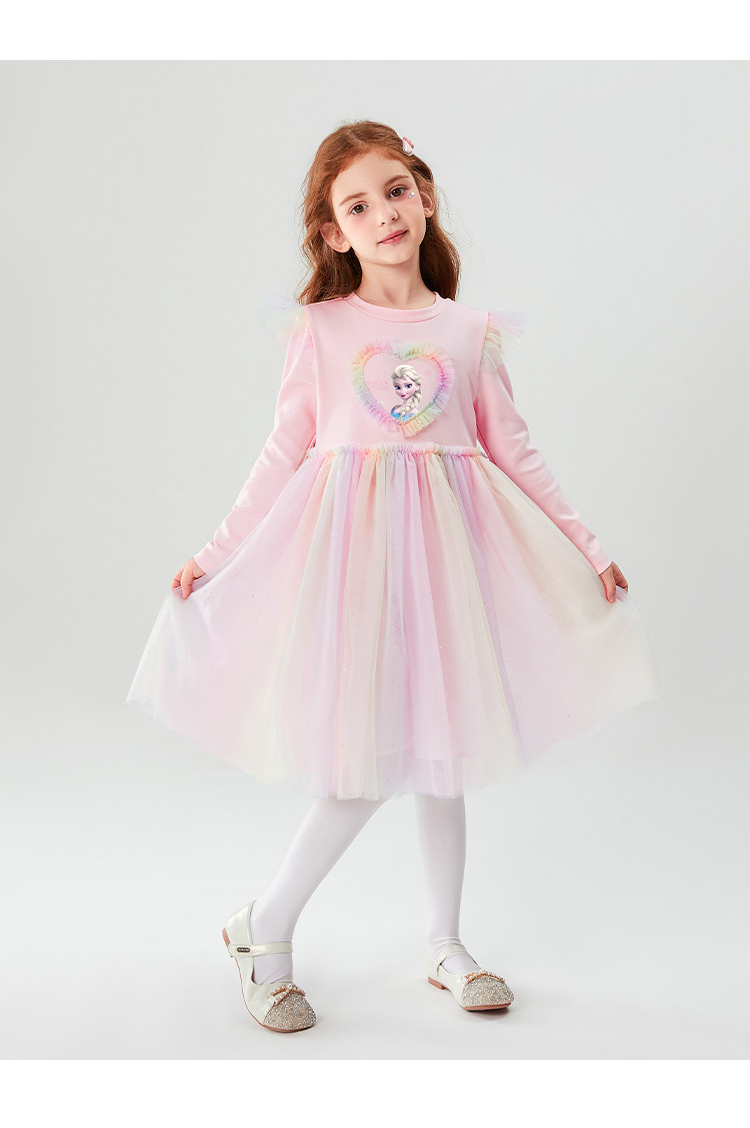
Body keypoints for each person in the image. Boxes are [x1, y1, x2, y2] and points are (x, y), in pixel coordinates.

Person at [126, 121, 662, 1034]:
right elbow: (282, 453)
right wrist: (213, 554)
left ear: (424, 194)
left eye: (396, 191)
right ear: (333, 233)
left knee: (445, 752)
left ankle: (445, 943)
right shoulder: (322, 330)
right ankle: (265, 925)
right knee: (364, 759)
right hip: (353, 572)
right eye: (358, 205)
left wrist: (587, 543)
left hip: (448, 569)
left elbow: (516, 450)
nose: (384, 214)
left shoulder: (467, 330)